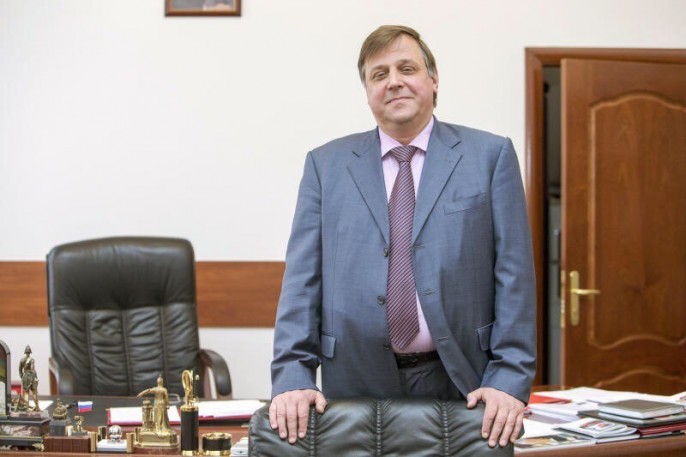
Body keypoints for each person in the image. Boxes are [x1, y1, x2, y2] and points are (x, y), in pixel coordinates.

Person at [269, 25, 536, 451]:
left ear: (434, 79)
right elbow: (302, 281)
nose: (393, 81)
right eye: (379, 74)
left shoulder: (490, 156)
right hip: (354, 384)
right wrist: (293, 376)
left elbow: (515, 277)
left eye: (406, 68)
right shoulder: (325, 165)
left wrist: (509, 378)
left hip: (465, 383)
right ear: (367, 92)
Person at [19, 345, 39, 411]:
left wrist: (22, 376)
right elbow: (33, 370)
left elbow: (20, 370)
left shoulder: (22, 360)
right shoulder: (32, 360)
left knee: (26, 393)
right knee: (34, 393)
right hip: (32, 377)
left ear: (25, 352)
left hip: (25, 377)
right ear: (30, 352)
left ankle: (27, 408)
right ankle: (37, 407)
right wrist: (36, 378)